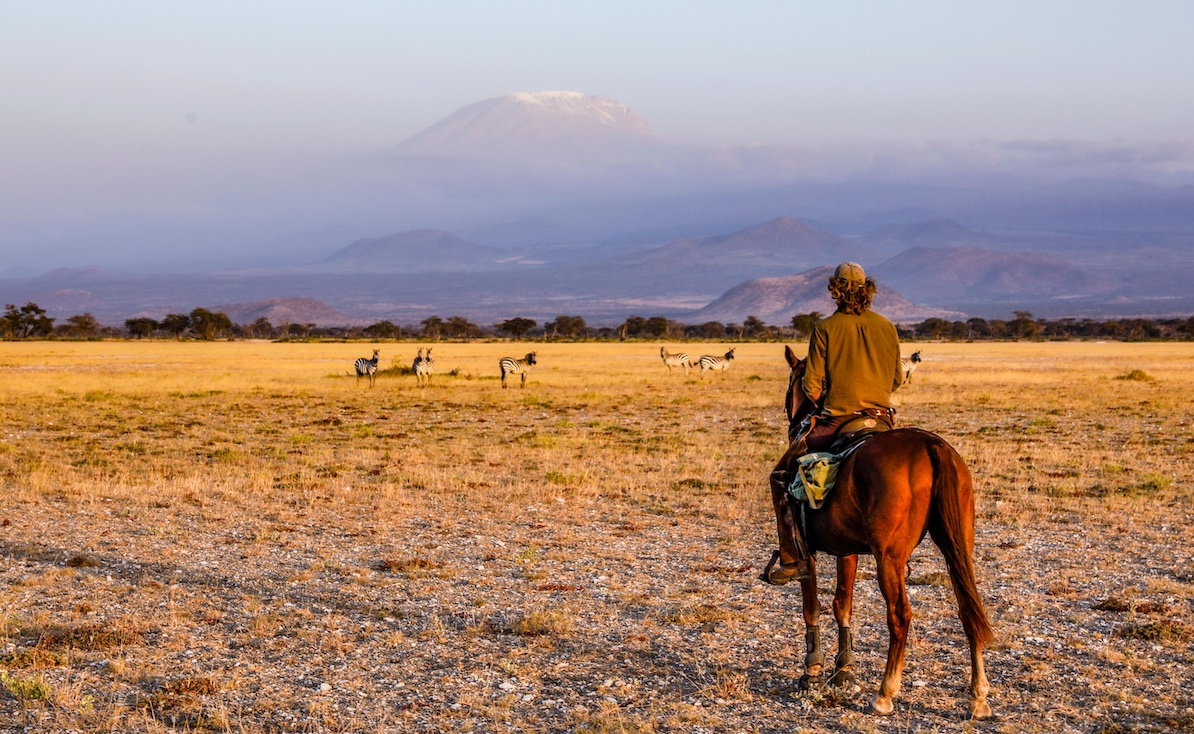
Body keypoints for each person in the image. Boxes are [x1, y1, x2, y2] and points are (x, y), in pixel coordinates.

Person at [763, 261, 905, 585]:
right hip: (881, 421)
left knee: (781, 477)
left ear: (835, 291)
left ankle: (793, 558)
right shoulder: (887, 326)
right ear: (867, 289)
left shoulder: (825, 329)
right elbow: (896, 379)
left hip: (840, 420)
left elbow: (811, 388)